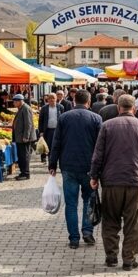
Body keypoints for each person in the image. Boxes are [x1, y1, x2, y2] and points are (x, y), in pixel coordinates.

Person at [90, 95, 138, 270]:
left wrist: (94, 176)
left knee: (110, 220)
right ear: (134, 109)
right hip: (136, 181)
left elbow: (98, 154)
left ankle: (111, 256)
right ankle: (129, 259)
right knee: (134, 221)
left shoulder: (107, 126)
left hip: (111, 180)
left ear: (118, 107)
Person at [49, 90, 102, 249]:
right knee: (88, 200)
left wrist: (52, 164)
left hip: (68, 166)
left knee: (71, 204)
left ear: (73, 100)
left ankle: (73, 238)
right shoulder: (96, 118)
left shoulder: (64, 118)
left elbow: (56, 142)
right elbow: (100, 147)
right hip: (89, 167)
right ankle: (87, 232)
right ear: (89, 101)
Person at [12, 94, 35, 180]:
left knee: (24, 155)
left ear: (19, 101)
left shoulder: (25, 108)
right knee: (21, 155)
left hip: (24, 138)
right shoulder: (21, 108)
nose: (14, 103)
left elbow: (28, 124)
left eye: (15, 102)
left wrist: (26, 136)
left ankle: (26, 173)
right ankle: (22, 172)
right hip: (20, 137)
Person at [39, 93, 64, 163]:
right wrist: (41, 131)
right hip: (48, 130)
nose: (52, 100)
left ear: (56, 99)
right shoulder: (44, 108)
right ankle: (50, 160)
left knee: (57, 145)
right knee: (49, 145)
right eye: (50, 99)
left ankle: (57, 159)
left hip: (57, 130)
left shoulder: (60, 107)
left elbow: (63, 119)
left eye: (53, 99)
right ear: (48, 100)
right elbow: (40, 120)